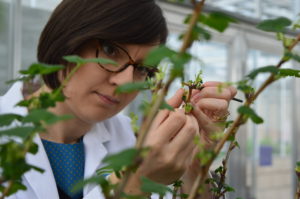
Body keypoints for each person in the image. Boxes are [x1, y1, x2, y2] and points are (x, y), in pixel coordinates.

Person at [0, 0, 237, 198]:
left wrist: (194, 164)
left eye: (143, 69)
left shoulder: (133, 140)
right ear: (67, 38)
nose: (126, 81)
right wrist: (135, 182)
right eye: (110, 51)